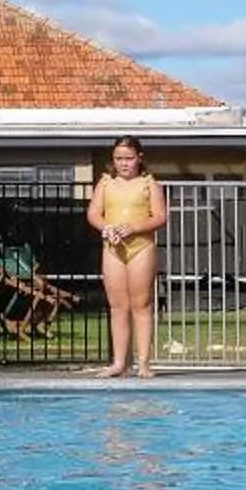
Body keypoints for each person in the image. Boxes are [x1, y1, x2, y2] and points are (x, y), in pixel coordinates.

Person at [88, 137, 168, 379]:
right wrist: (105, 228)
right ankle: (119, 362)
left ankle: (143, 362)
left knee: (140, 304)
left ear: (139, 158)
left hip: (140, 247)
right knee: (117, 306)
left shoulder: (149, 184)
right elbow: (93, 213)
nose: (124, 164)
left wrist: (134, 227)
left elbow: (160, 217)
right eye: (119, 159)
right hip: (112, 249)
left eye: (129, 158)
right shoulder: (105, 183)